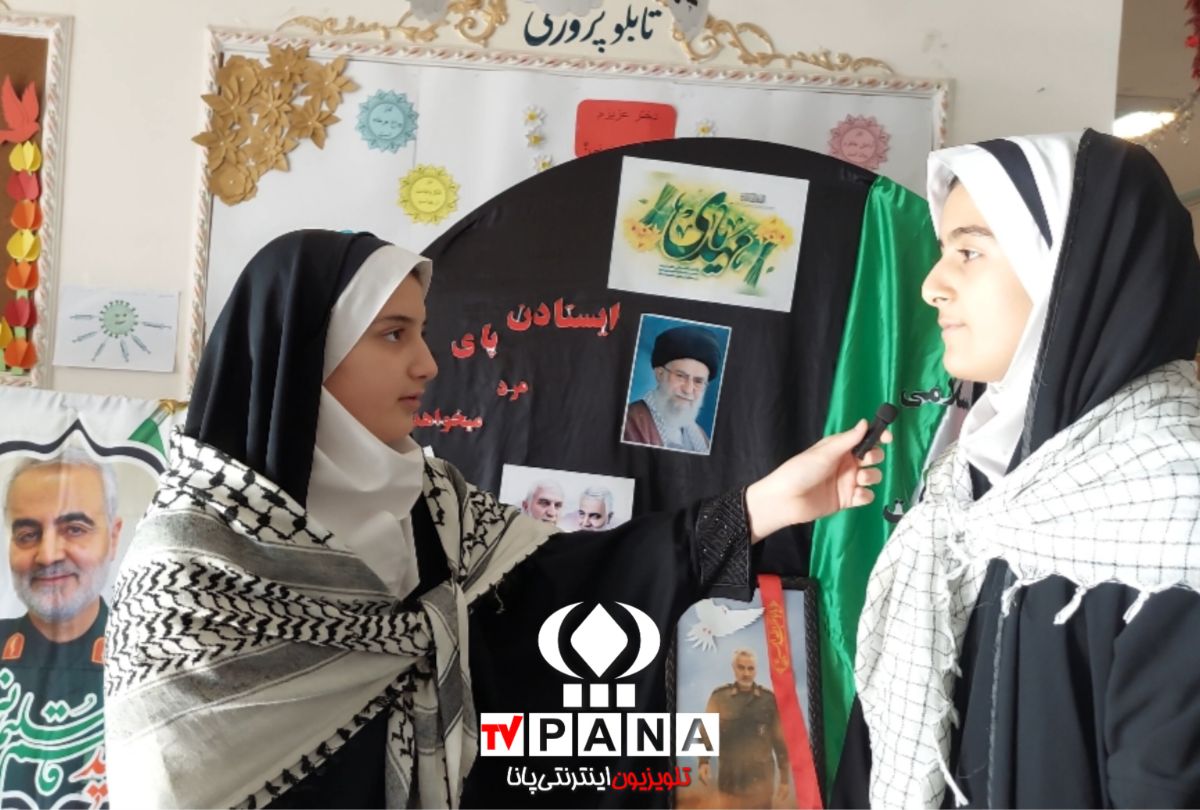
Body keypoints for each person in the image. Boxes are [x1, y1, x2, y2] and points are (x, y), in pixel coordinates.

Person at [102, 230, 890, 809]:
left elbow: (566, 592)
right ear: (308, 354)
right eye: (393, 334)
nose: (427, 363)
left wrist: (764, 506)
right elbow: (172, 778)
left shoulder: (432, 508)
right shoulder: (194, 567)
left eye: (422, 332)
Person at [842, 130, 1200, 808]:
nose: (931, 286)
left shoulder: (1175, 505)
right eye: (944, 252)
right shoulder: (975, 481)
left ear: (1075, 274)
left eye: (969, 252)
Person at [1, 449, 121, 809]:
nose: (48, 555)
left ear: (113, 538)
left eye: (74, 529)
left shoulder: (152, 659)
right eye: (27, 534)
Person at [697, 649, 789, 809]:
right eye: (741, 667)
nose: (746, 673)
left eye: (750, 668)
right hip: (730, 779)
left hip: (761, 781)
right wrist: (703, 762)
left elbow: (780, 741)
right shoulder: (719, 697)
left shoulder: (769, 700)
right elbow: (705, 732)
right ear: (733, 668)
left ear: (756, 670)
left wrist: (785, 779)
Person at [623, 325, 721, 452]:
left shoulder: (700, 436)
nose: (688, 390)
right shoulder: (629, 422)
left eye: (698, 381)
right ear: (659, 374)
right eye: (680, 376)